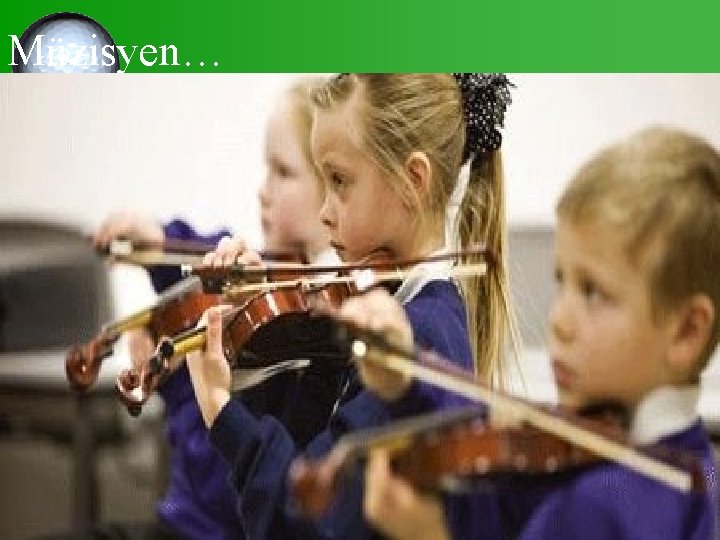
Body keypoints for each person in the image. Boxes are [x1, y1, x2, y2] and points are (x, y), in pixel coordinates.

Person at [186, 73, 516, 539]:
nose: (325, 212)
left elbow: (304, 519)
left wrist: (219, 408)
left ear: (413, 180)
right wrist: (253, 338)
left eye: (339, 181)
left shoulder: (415, 338)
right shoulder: (384, 312)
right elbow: (302, 452)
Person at [362, 126, 720, 540]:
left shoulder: (593, 508)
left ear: (686, 332)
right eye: (561, 280)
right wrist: (407, 383)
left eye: (593, 292)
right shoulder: (693, 463)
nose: (559, 321)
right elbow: (504, 501)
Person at [83, 77, 341, 540]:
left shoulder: (308, 329)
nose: (263, 190)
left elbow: (225, 484)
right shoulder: (258, 280)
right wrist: (160, 239)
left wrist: (182, 385)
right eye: (265, 169)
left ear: (331, 190)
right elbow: (205, 260)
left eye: (283, 172)